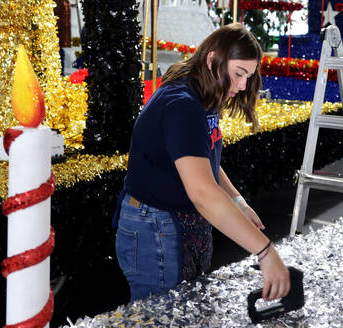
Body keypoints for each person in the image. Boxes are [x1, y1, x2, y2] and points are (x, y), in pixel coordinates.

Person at [114, 23, 291, 303]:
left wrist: (237, 201)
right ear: (212, 60)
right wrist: (266, 252)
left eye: (248, 76)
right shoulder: (182, 104)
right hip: (156, 228)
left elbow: (203, 159)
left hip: (171, 223)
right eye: (238, 74)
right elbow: (203, 192)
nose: (243, 85)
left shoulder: (204, 93)